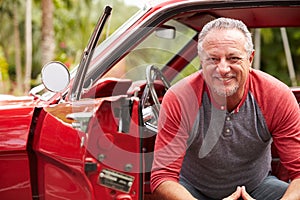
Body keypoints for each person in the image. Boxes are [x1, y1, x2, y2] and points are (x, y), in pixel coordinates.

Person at [150, 17, 300, 200]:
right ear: (201, 61)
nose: (222, 68)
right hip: (192, 191)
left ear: (250, 58)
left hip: (258, 187)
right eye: (213, 59)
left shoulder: (276, 96)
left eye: (233, 58)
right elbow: (162, 177)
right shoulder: (180, 98)